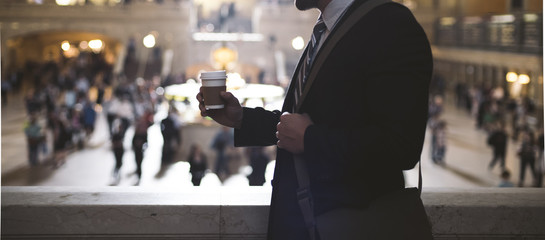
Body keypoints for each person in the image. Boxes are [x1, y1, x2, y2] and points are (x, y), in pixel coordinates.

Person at [196, 0, 433, 238]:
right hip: (310, 224)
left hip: (347, 226)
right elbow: (304, 123)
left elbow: (401, 146)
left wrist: (312, 139)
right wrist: (242, 119)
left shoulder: (390, 25)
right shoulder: (331, 27)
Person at [132, 110, 154, 185]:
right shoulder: (137, 132)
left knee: (139, 161)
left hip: (141, 150)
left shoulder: (144, 133)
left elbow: (146, 142)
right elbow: (133, 140)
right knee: (137, 161)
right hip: (136, 149)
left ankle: (139, 174)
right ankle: (138, 172)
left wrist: (142, 145)